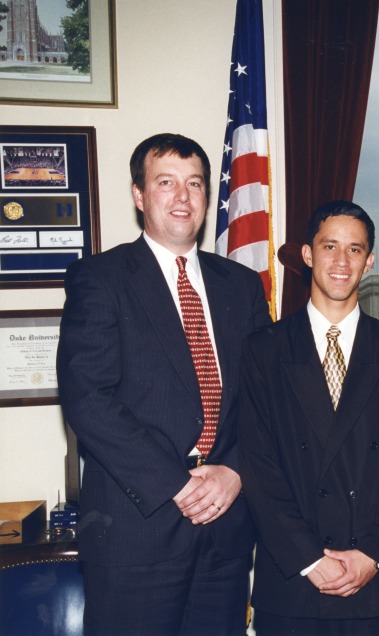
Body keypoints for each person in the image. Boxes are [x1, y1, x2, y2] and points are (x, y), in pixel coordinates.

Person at [57, 133, 270, 636]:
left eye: (194, 183)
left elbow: (268, 400)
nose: (182, 197)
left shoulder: (241, 286)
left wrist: (235, 473)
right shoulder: (100, 279)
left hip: (226, 531)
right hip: (136, 531)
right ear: (139, 195)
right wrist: (175, 486)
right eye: (166, 183)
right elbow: (89, 399)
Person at [238, 200, 379, 636]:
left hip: (376, 584)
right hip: (293, 583)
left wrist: (371, 555)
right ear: (308, 255)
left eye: (355, 250)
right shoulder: (263, 350)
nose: (342, 262)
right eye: (329, 247)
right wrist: (309, 559)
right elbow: (258, 467)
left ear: (370, 260)